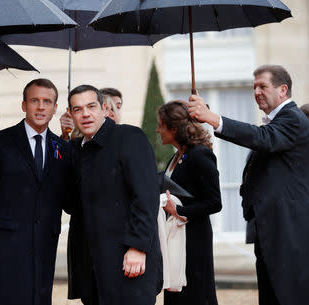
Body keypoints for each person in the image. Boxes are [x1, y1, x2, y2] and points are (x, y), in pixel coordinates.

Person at [188, 65, 309, 305]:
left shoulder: (293, 119)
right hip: (270, 228)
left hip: (288, 230)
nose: (256, 92)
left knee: (288, 295)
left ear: (283, 90)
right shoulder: (277, 123)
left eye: (263, 86)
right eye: (254, 87)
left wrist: (212, 119)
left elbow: (261, 138)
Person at [0, 78, 73, 305]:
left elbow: (69, 200)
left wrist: (74, 140)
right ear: (24, 105)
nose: (41, 106)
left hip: (44, 250)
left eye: (47, 102)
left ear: (56, 109)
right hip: (3, 251)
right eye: (34, 100)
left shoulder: (63, 148)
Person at [67, 85, 162, 305]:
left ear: (103, 108)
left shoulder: (128, 137)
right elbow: (72, 204)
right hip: (92, 267)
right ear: (71, 114)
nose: (86, 114)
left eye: (91, 106)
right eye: (78, 109)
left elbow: (146, 197)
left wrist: (138, 247)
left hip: (128, 260)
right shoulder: (76, 151)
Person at [156, 100, 222, 305]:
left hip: (193, 240)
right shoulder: (177, 156)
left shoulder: (200, 154)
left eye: (161, 125)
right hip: (175, 237)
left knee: (195, 294)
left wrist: (179, 210)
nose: (158, 130)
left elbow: (214, 202)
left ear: (174, 128)